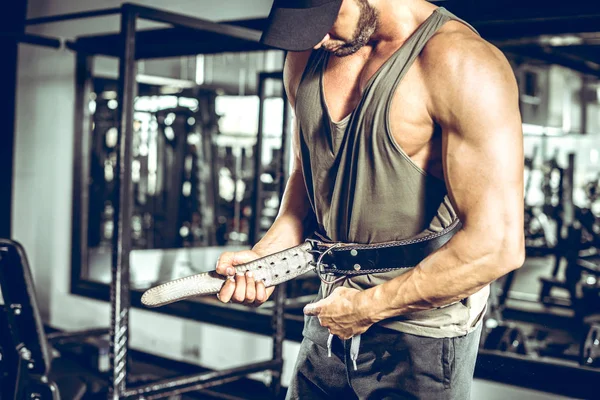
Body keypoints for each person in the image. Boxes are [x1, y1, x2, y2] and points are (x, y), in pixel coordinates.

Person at [215, 0, 525, 398]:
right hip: (332, 315)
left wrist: (369, 307)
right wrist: (268, 255)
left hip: (421, 337)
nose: (319, 38)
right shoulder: (309, 51)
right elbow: (310, 172)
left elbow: (497, 247)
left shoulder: (459, 61)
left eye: (324, 21)